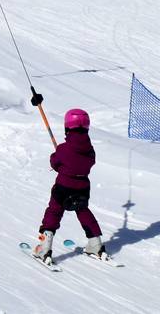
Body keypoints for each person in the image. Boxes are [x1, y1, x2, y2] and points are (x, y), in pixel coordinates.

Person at [34, 109, 108, 264]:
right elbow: (89, 162)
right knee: (83, 211)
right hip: (82, 188)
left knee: (54, 212)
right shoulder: (90, 150)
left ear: (67, 127)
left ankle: (44, 248)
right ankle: (96, 244)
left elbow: (54, 163)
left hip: (63, 187)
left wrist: (58, 157)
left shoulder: (63, 148)